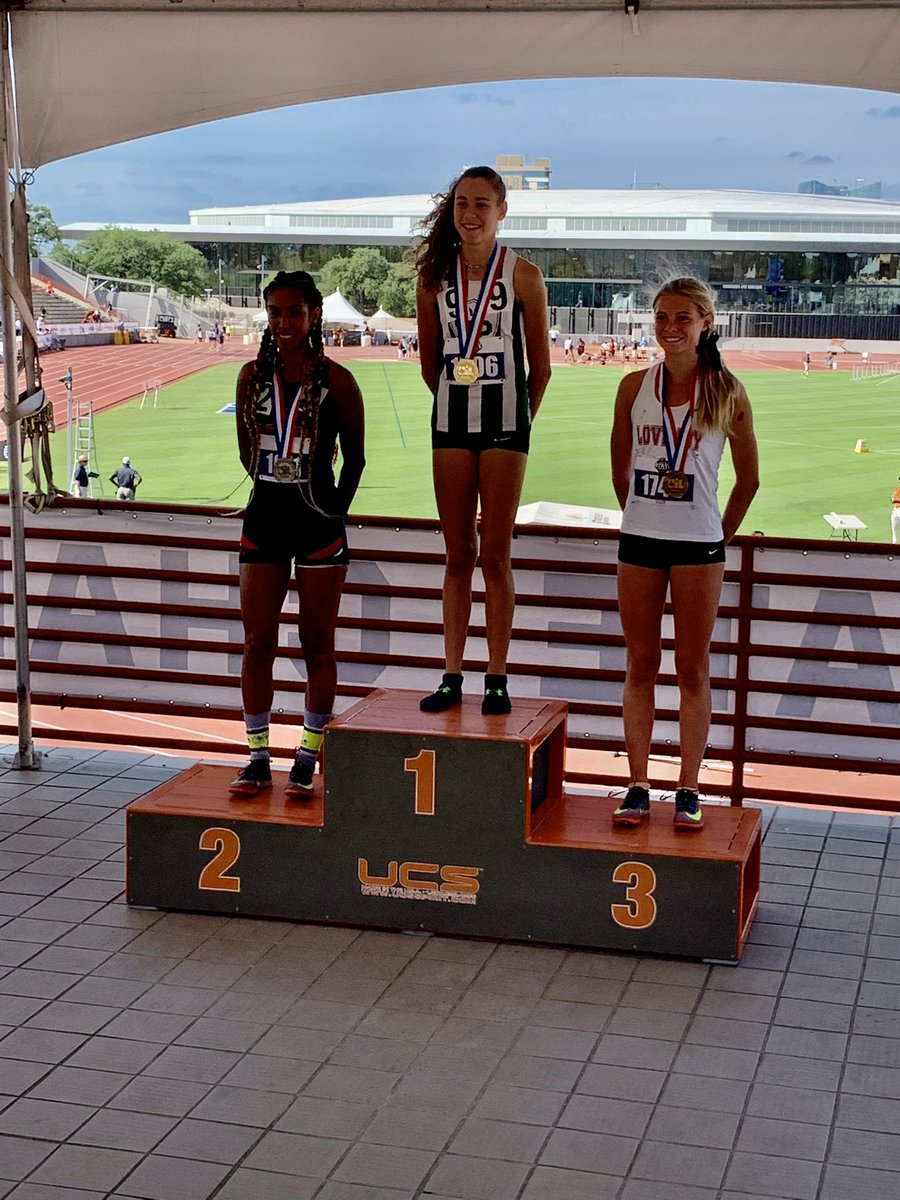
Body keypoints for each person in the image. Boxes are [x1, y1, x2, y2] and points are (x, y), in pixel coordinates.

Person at [609, 277, 759, 830]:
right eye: (662, 316)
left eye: (682, 317)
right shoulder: (632, 387)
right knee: (641, 664)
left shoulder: (727, 390)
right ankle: (639, 784)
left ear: (705, 324)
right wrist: (644, 514)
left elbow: (750, 481)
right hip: (640, 541)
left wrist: (716, 535)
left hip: (700, 547)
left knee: (692, 668)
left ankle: (689, 787)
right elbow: (620, 469)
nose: (669, 327)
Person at [414, 165, 551, 715]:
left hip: (505, 426)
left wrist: (518, 424)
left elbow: (539, 368)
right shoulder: (433, 277)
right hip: (450, 422)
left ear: (501, 211)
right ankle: (451, 674)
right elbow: (431, 365)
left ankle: (496, 675)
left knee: (495, 556)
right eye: (461, 203)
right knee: (457, 555)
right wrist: (457, 396)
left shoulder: (524, 275)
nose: (469, 214)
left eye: (481, 204)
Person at [230, 270, 365, 797]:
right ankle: (258, 756)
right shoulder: (250, 378)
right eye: (276, 312)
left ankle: (308, 754)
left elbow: (354, 460)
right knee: (257, 642)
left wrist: (335, 510)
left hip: (317, 522)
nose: (284, 322)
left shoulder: (339, 381)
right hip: (264, 514)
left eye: (294, 312)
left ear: (313, 316)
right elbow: (246, 450)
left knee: (317, 644)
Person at [892, 477, 900, 544]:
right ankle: (894, 544)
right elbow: (892, 499)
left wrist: (896, 500)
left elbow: (895, 500)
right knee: (894, 528)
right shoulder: (897, 490)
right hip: (895, 510)